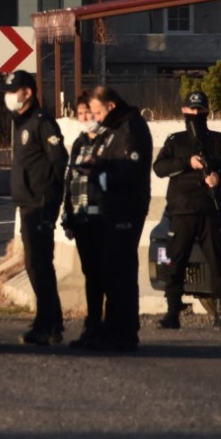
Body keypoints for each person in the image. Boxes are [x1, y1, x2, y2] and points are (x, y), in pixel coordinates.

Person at [152, 90, 221, 330]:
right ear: (183, 110)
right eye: (191, 110)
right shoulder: (175, 141)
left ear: (206, 111)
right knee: (175, 262)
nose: (195, 114)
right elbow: (159, 168)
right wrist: (186, 163)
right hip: (181, 211)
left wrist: (217, 176)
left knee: (216, 262)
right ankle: (172, 313)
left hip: (210, 211)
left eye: (200, 110)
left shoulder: (219, 141)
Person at [78, 85, 153, 352]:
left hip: (127, 208)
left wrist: (101, 175)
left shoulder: (130, 129)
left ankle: (124, 331)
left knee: (121, 271)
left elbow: (130, 170)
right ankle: (111, 328)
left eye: (97, 111)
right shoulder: (114, 129)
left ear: (110, 106)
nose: (94, 117)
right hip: (112, 208)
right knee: (110, 270)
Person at [4, 70, 68, 346]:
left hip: (39, 204)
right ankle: (50, 322)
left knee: (39, 264)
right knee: (35, 264)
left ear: (27, 93)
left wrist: (48, 196)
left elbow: (59, 160)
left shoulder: (41, 122)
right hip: (27, 203)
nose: (9, 97)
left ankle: (48, 324)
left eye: (13, 91)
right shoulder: (22, 122)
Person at [61, 93, 108, 348]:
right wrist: (67, 216)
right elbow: (70, 180)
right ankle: (92, 325)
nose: (85, 119)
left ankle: (101, 326)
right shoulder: (79, 143)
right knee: (89, 272)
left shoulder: (108, 142)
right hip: (80, 219)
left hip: (101, 218)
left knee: (102, 273)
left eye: (88, 113)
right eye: (80, 114)